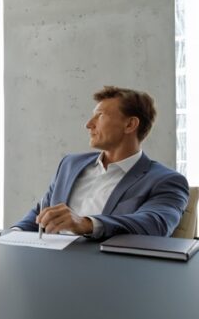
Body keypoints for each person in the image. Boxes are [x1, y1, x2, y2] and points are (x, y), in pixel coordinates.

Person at [12, 86, 189, 238]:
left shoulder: (166, 180)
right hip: (50, 260)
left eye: (100, 115)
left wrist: (86, 223)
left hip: (108, 265)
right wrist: (13, 234)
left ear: (130, 125)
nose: (89, 124)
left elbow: (155, 224)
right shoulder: (69, 164)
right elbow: (42, 213)